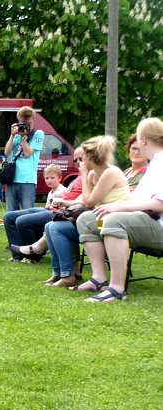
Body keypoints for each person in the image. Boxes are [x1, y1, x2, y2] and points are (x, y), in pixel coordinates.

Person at [75, 118, 163, 301]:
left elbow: (159, 205)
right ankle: (99, 278)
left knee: (113, 220)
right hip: (143, 222)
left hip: (158, 228)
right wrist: (114, 208)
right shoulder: (155, 162)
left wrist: (117, 207)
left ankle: (116, 289)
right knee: (88, 220)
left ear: (143, 140)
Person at [40, 135, 130, 288]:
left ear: (88, 156)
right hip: (100, 220)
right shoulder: (95, 174)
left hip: (113, 223)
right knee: (50, 226)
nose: (80, 162)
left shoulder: (111, 173)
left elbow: (89, 201)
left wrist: (83, 175)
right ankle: (58, 273)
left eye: (81, 158)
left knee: (56, 228)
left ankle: (68, 275)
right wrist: (64, 202)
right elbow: (84, 199)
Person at [3, 158, 75, 262]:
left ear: (60, 178)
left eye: (52, 178)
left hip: (56, 214)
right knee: (8, 217)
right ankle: (17, 255)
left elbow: (62, 208)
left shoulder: (62, 190)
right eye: (47, 178)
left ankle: (32, 255)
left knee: (23, 221)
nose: (49, 180)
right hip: (46, 210)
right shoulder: (50, 192)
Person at [3, 106, 45, 211]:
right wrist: (12, 135)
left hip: (27, 180)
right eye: (22, 123)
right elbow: (7, 151)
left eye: (28, 123)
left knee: (28, 213)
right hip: (12, 178)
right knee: (11, 213)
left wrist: (23, 137)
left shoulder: (38, 134)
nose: (26, 126)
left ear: (34, 121)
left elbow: (27, 153)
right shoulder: (17, 135)